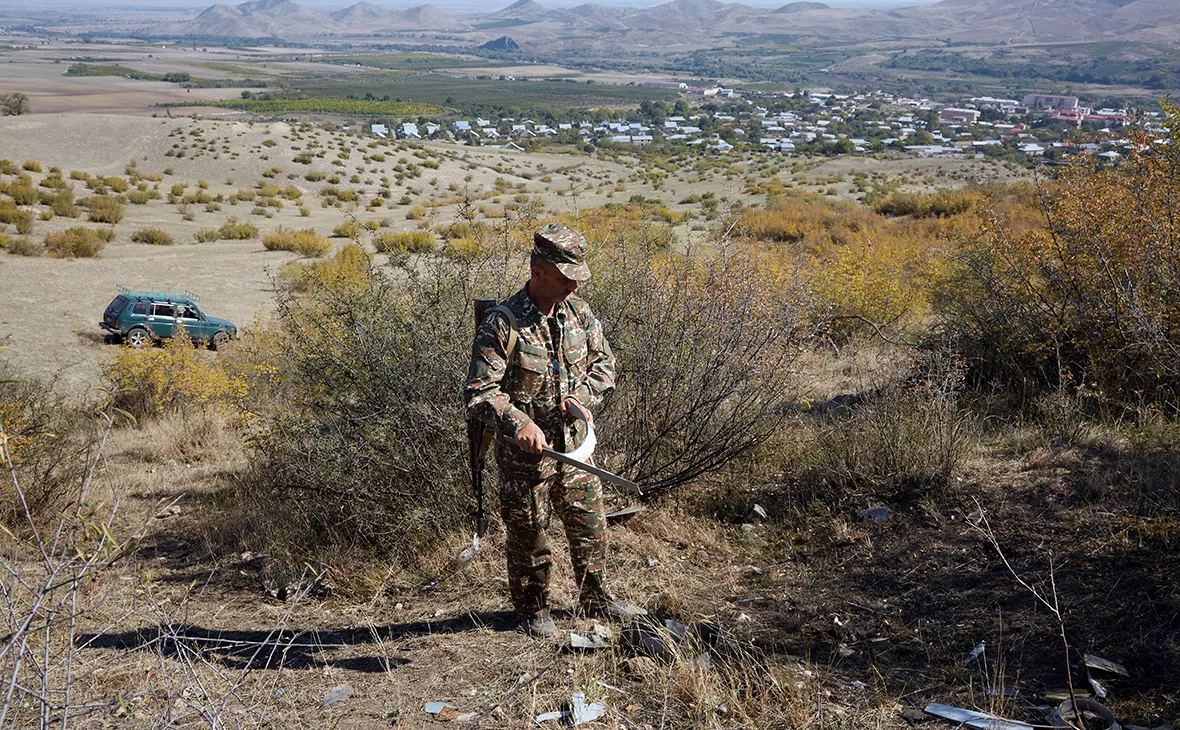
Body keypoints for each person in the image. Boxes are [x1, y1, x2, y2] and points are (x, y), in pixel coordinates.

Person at [463, 223, 646, 638]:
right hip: (526, 458)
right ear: (538, 271)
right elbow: (479, 392)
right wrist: (519, 422)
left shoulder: (579, 313)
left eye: (578, 279)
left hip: (576, 452)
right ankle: (533, 611)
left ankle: (596, 597)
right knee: (529, 534)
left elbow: (605, 365)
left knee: (591, 526)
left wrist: (583, 398)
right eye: (565, 279)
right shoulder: (503, 323)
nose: (573, 287)